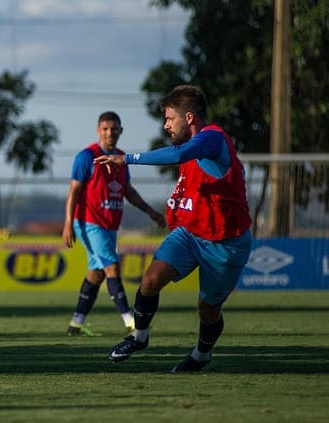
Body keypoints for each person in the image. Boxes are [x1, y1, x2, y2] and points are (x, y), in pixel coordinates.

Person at [95, 85, 252, 372]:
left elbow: (181, 154)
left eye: (169, 119)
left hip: (226, 243)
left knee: (208, 309)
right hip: (191, 234)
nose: (166, 125)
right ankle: (138, 336)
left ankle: (201, 355)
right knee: (151, 280)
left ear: (189, 118)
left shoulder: (212, 139)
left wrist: (127, 157)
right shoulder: (193, 147)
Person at [62, 111, 165, 336]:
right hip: (89, 223)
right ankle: (131, 322)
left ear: (120, 131)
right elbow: (74, 191)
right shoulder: (86, 157)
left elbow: (128, 191)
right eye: (105, 128)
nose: (110, 132)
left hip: (109, 225)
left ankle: (76, 324)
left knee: (96, 274)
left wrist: (151, 212)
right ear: (98, 131)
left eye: (114, 128)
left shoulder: (121, 157)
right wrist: (68, 223)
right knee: (112, 267)